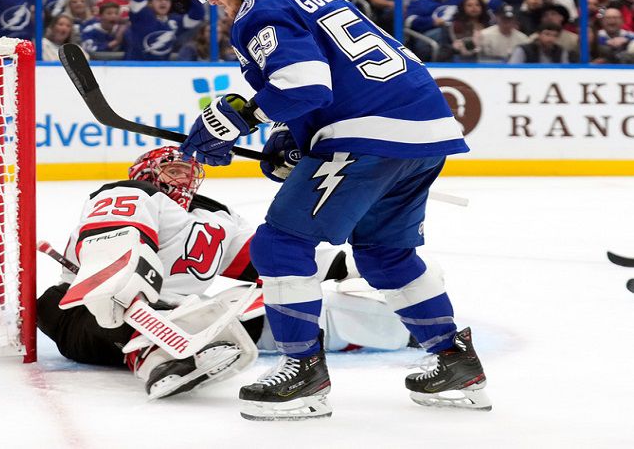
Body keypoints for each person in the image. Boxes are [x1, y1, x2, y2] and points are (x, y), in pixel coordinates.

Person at [179, 0, 489, 420]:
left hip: (370, 134)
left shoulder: (260, 11)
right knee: (386, 254)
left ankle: (303, 374)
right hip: (423, 130)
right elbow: (332, 79)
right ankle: (456, 364)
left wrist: (234, 117)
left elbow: (303, 84)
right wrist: (297, 136)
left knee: (281, 244)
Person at [38, 146, 416, 399]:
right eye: (173, 170)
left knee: (283, 302)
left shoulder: (218, 219)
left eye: (189, 172)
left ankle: (404, 325)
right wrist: (125, 288)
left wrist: (349, 266)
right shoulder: (130, 194)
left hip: (189, 320)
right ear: (147, 173)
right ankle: (156, 356)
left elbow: (266, 263)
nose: (184, 179)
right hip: (95, 315)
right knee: (52, 303)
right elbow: (117, 241)